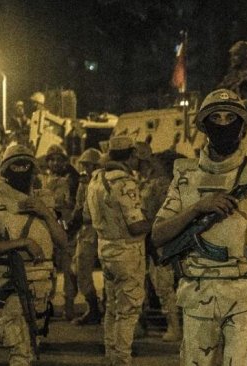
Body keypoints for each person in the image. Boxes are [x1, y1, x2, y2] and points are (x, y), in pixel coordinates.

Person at [151, 89, 247, 365]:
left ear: (243, 126)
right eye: (216, 117)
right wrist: (198, 207)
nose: (223, 124)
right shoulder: (185, 177)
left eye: (230, 117)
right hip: (197, 292)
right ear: (204, 126)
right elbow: (158, 235)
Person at [0, 144, 68, 365]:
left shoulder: (45, 199)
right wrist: (22, 242)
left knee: (31, 350)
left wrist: (45, 213)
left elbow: (62, 242)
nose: (22, 171)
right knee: (20, 352)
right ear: (5, 171)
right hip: (12, 283)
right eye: (15, 166)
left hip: (42, 285)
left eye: (26, 166)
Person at [85, 135, 151, 365]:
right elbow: (136, 225)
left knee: (112, 307)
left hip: (105, 248)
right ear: (131, 155)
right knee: (129, 310)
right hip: (127, 251)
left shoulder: (96, 178)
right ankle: (122, 360)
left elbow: (86, 215)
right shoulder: (124, 182)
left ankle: (111, 356)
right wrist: (156, 221)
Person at [133, 141, 182, 342]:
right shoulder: (145, 182)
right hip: (145, 239)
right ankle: (142, 324)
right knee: (144, 283)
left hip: (159, 240)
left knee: (163, 285)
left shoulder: (160, 184)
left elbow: (165, 215)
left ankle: (174, 326)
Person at [40, 144, 79, 320]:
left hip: (64, 225)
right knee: (47, 269)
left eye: (59, 159)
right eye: (52, 159)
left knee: (68, 269)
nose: (55, 163)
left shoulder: (72, 180)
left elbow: (73, 204)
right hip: (47, 228)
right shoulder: (42, 180)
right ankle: (46, 305)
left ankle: (69, 307)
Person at [69, 148, 104, 325]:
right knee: (80, 267)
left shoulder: (106, 181)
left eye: (89, 165)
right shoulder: (84, 184)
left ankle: (107, 309)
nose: (86, 169)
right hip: (88, 229)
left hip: (104, 229)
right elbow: (78, 207)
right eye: (84, 165)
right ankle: (93, 307)